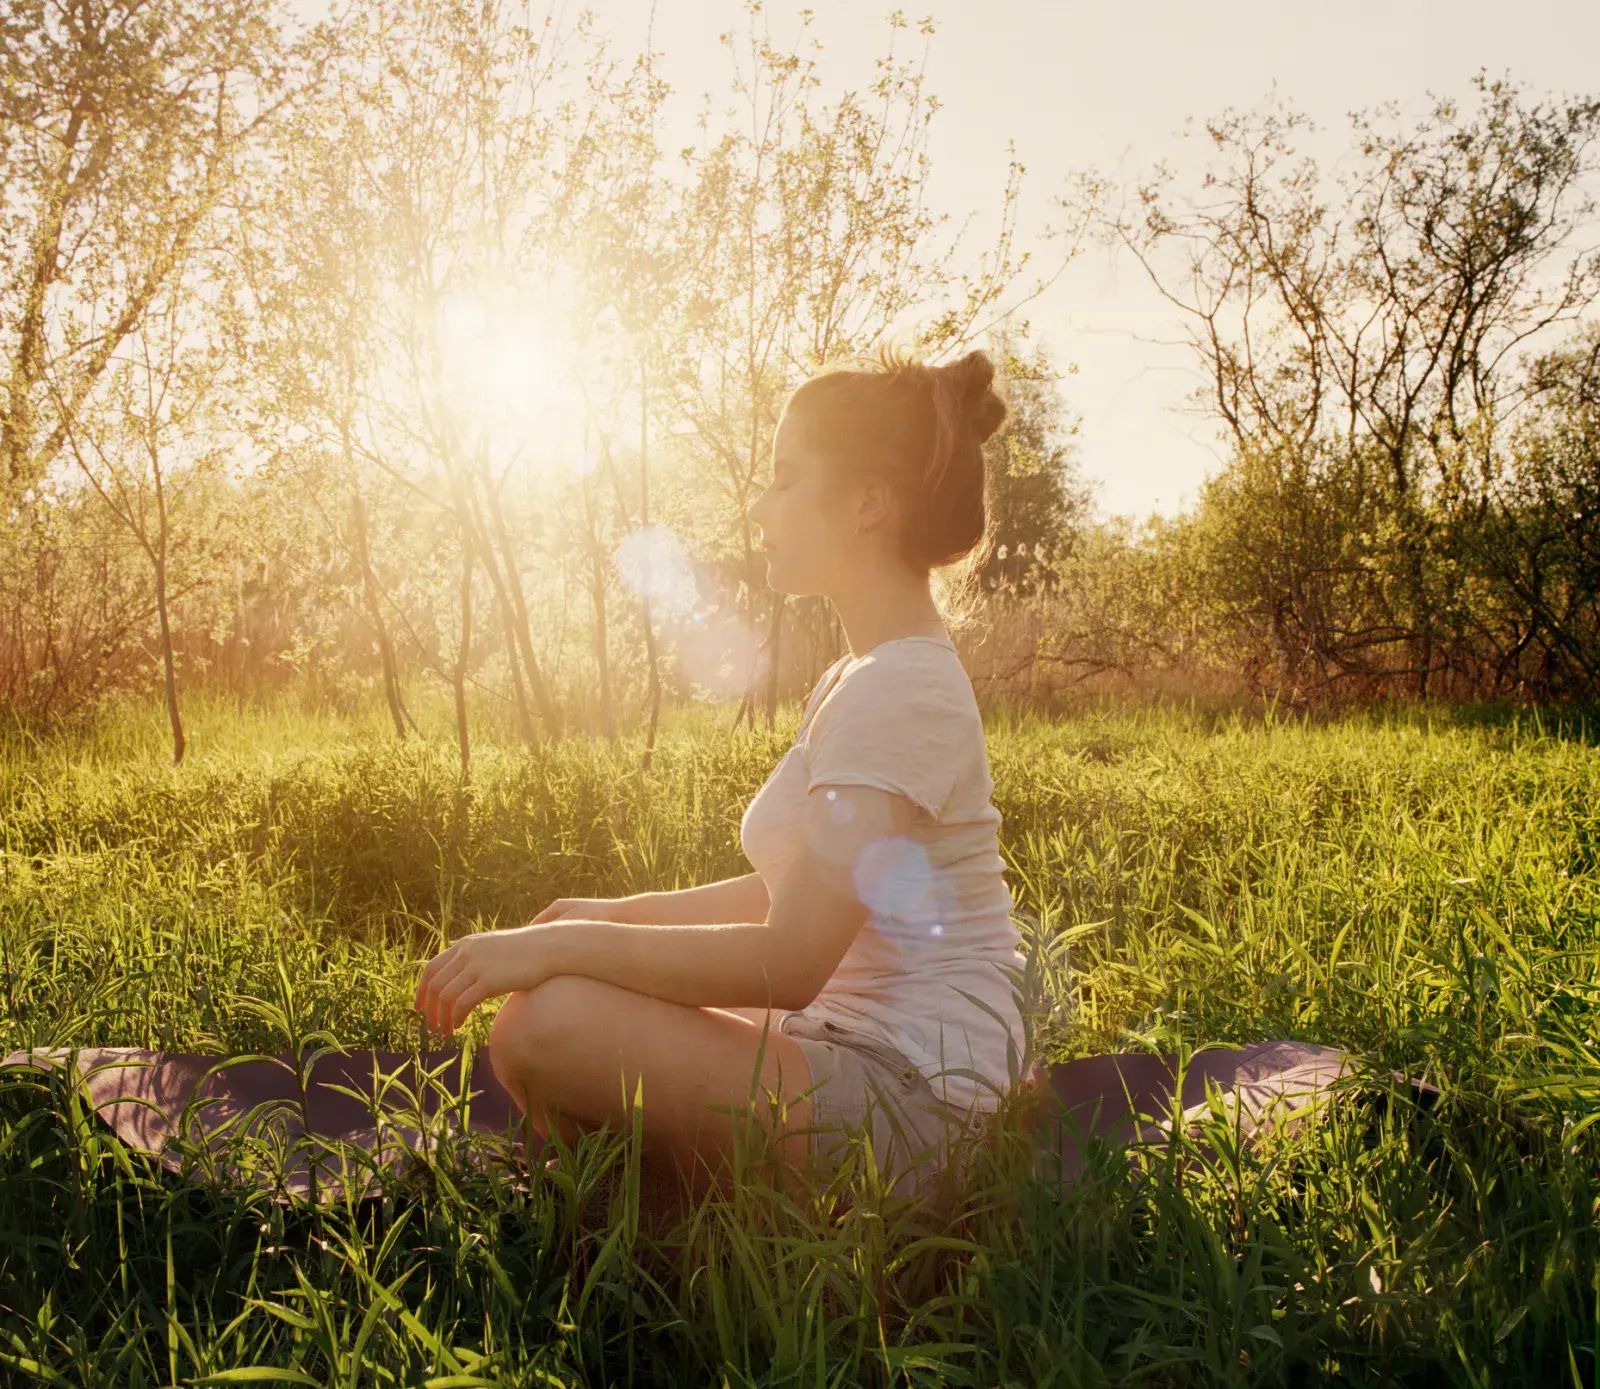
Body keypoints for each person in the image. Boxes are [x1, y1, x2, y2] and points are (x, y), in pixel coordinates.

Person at [414, 346, 1024, 1193]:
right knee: (571, 989)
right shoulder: (862, 675)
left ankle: (637, 1219)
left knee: (545, 1026)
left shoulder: (903, 689)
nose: (760, 505)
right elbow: (798, 890)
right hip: (843, 1040)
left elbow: (791, 957)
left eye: (784, 479)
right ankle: (636, 1200)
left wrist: (559, 945)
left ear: (868, 506)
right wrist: (607, 914)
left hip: (913, 1103)